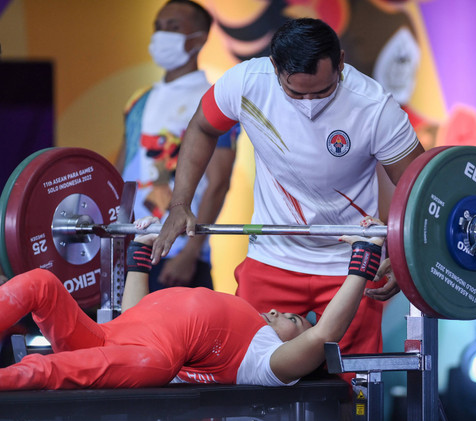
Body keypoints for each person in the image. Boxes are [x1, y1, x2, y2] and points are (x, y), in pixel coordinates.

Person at [151, 18, 424, 360]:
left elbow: (417, 185)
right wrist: (180, 203)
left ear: (340, 62)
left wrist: (403, 256)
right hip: (273, 254)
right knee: (249, 370)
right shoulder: (247, 82)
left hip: (350, 264)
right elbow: (203, 127)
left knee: (353, 385)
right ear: (275, 68)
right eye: (295, 92)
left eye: (323, 91)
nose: (309, 104)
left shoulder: (375, 107)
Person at [0, 216, 384, 390]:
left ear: (298, 355)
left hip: (147, 360)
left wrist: (364, 259)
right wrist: (141, 253)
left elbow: (326, 333)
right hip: (106, 337)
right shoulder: (248, 317)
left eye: (294, 321)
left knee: (43, 370)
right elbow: (137, 317)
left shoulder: (265, 363)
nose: (279, 312)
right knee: (41, 282)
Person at [115, 0, 240, 291]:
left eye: (173, 27)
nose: (161, 35)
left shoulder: (215, 99)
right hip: (132, 249)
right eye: (158, 27)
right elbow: (119, 174)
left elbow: (218, 183)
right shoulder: (139, 100)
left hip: (178, 256)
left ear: (199, 38)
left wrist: (190, 253)